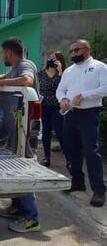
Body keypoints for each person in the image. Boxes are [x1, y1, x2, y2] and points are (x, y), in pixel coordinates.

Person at [0, 37, 41, 233]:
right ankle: (17, 207)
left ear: (9, 53)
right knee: (15, 166)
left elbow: (27, 81)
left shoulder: (26, 65)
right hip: (15, 128)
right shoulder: (16, 67)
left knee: (22, 168)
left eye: (2, 52)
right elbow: (7, 75)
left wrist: (3, 81)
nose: (2, 55)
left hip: (24, 128)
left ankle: (32, 219)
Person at [56, 39, 107, 207]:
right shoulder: (69, 71)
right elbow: (60, 89)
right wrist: (62, 98)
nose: (73, 54)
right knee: (71, 149)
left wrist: (84, 95)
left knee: (91, 152)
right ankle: (77, 181)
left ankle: (98, 191)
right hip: (70, 114)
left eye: (77, 50)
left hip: (89, 115)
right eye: (71, 51)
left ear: (87, 49)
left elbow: (105, 88)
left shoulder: (100, 67)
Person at [38, 51, 70, 170]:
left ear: (59, 61)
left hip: (57, 106)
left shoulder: (64, 74)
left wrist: (60, 71)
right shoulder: (40, 74)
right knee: (46, 132)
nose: (51, 60)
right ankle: (47, 157)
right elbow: (38, 87)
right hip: (44, 105)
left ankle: (69, 159)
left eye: (54, 59)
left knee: (60, 132)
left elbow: (65, 87)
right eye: (50, 58)